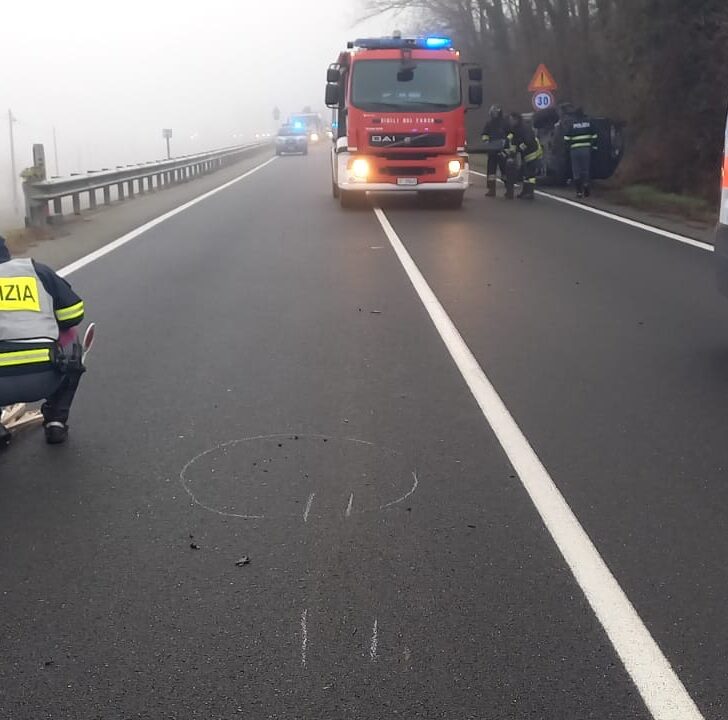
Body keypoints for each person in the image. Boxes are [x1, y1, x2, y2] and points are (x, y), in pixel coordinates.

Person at [0, 236, 86, 446]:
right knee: (71, 340)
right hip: (44, 376)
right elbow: (73, 314)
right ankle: (56, 420)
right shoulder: (36, 271)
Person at [507, 112, 544, 200]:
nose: (510, 122)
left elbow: (528, 141)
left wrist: (519, 149)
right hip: (526, 154)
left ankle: (530, 193)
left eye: (511, 120)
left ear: (516, 119)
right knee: (525, 174)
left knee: (530, 175)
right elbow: (514, 142)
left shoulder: (524, 128)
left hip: (533, 152)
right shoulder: (515, 129)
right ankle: (525, 192)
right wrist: (512, 153)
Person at [563, 107, 598, 198]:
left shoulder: (572, 124)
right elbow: (595, 135)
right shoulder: (589, 123)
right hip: (586, 149)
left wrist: (568, 148)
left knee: (576, 171)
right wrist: (593, 146)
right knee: (585, 169)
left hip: (574, 150)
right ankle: (586, 185)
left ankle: (579, 192)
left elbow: (566, 138)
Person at [480, 105, 512, 198]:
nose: (493, 114)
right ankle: (491, 190)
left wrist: (506, 141)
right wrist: (486, 141)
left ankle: (509, 190)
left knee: (505, 171)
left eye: (494, 112)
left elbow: (511, 134)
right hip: (492, 150)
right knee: (491, 172)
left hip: (503, 150)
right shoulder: (489, 123)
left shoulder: (505, 123)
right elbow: (484, 134)